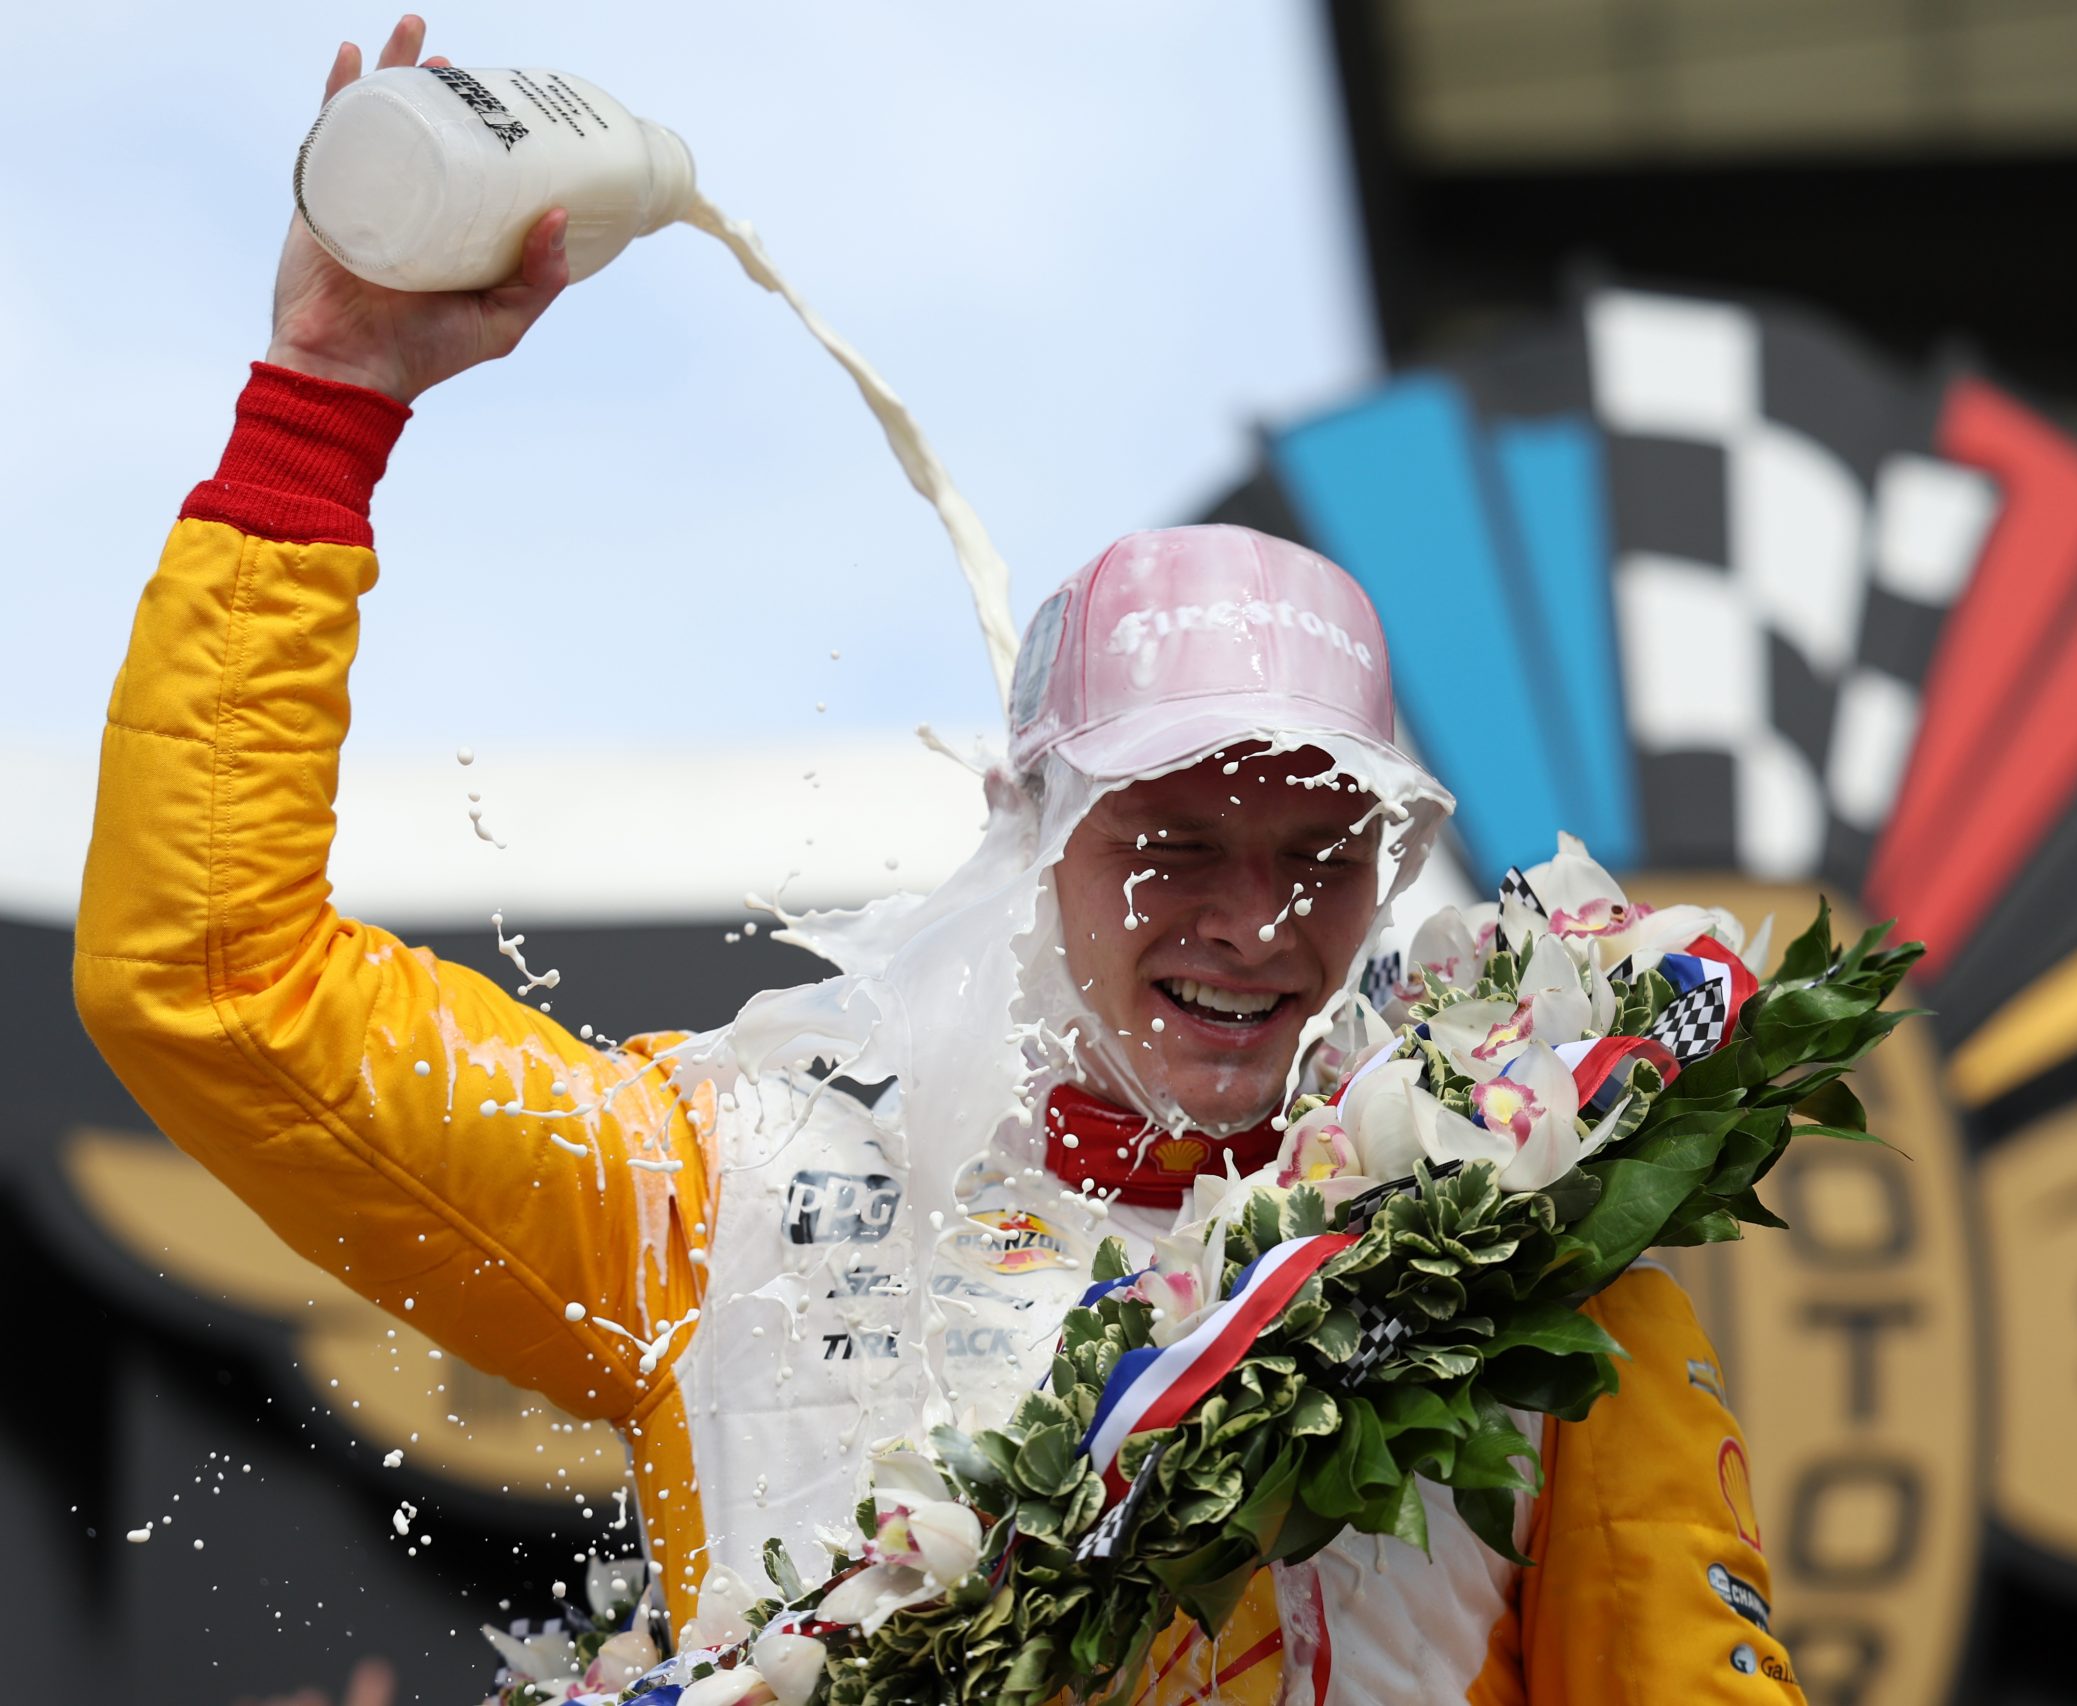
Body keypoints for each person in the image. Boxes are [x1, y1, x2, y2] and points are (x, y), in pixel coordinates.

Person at [77, 17, 1801, 1702]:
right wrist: (325, 401)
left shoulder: (1530, 1241)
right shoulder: (725, 1194)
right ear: (1026, 821)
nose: (1250, 919)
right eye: (1173, 838)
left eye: (1320, 850)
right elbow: (220, 988)